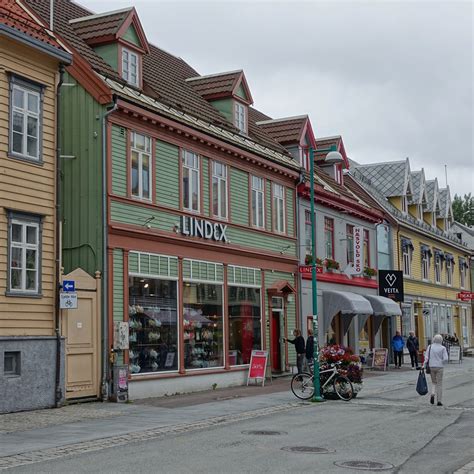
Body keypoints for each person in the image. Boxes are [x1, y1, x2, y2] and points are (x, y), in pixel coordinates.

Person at [424, 334, 449, 406]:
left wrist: (424, 365)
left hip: (432, 366)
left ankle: (432, 393)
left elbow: (426, 357)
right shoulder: (443, 348)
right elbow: (445, 359)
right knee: (439, 383)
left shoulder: (430, 347)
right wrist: (442, 362)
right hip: (440, 367)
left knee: (433, 382)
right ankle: (439, 400)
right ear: (441, 340)